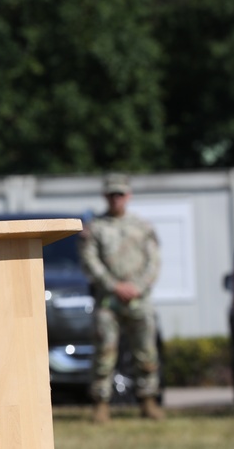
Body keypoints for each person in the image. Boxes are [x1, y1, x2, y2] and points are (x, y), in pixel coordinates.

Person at [78, 173, 164, 423]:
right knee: (105, 352)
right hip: (109, 301)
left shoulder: (142, 227)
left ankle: (148, 400)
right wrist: (115, 286)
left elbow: (153, 262)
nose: (116, 199)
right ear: (105, 197)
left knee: (146, 352)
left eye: (120, 194)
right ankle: (101, 403)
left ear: (129, 196)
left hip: (139, 299)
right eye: (112, 194)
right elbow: (90, 262)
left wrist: (136, 287)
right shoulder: (96, 228)